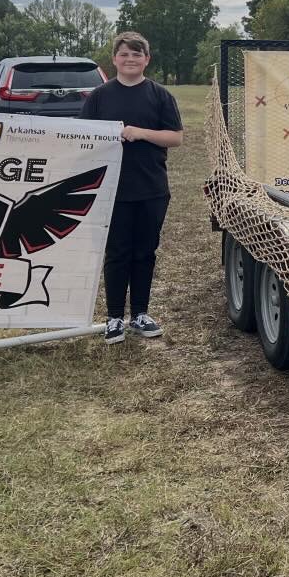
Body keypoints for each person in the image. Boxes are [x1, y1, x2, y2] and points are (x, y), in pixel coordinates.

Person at [80, 31, 184, 344]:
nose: (130, 59)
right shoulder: (100, 96)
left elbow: (176, 138)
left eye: (137, 54)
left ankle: (140, 313)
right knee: (117, 253)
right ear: (114, 59)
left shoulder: (160, 95)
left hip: (152, 188)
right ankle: (114, 318)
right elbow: (84, 137)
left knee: (144, 252)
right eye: (124, 54)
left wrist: (141, 132)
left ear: (146, 60)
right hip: (113, 190)